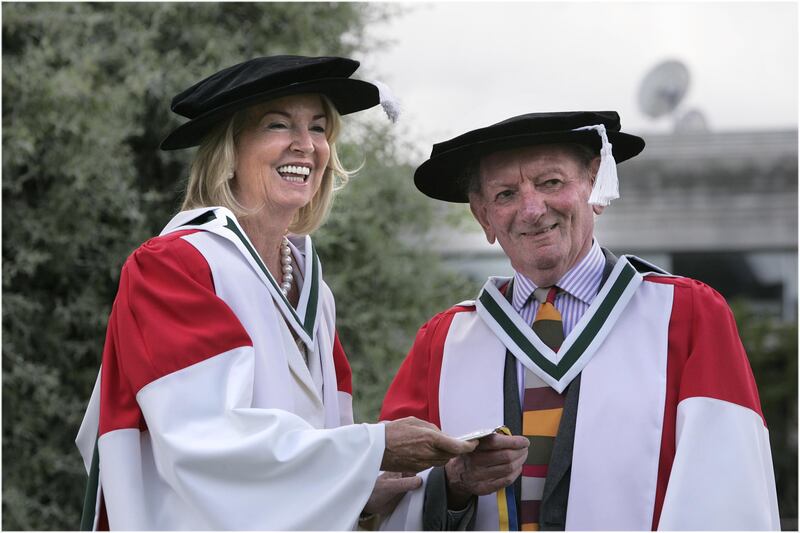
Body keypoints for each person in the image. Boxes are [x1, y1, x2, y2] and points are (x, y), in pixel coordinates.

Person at [75, 55, 477, 530]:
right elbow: (207, 446)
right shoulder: (176, 266)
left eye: (320, 128)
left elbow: (307, 452)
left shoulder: (311, 288)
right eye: (278, 125)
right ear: (230, 150)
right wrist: (374, 447)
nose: (305, 145)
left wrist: (360, 487)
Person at [379, 111, 780, 530]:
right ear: (483, 217)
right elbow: (389, 496)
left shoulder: (687, 317)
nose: (532, 210)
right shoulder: (443, 343)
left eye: (552, 183)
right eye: (505, 194)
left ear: (596, 187)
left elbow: (727, 490)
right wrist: (455, 485)